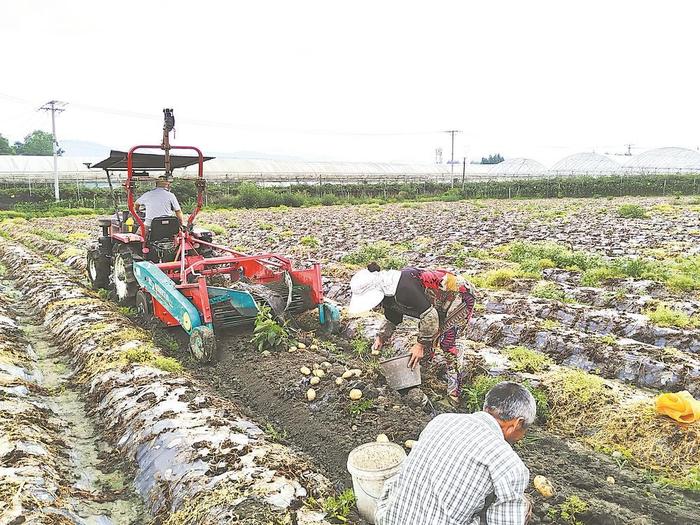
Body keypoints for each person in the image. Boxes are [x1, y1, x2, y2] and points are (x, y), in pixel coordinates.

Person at [375, 381, 535, 525]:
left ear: (486, 407)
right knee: (521, 507)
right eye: (524, 430)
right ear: (517, 423)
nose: (522, 436)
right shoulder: (510, 464)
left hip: (388, 518)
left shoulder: (440, 421)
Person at [347, 262, 476, 403]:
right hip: (437, 306)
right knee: (427, 337)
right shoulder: (389, 295)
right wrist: (381, 337)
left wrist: (420, 345)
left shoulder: (404, 288)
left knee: (448, 343)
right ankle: (425, 379)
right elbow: (393, 317)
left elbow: (429, 316)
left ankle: (453, 396)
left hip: (460, 295)